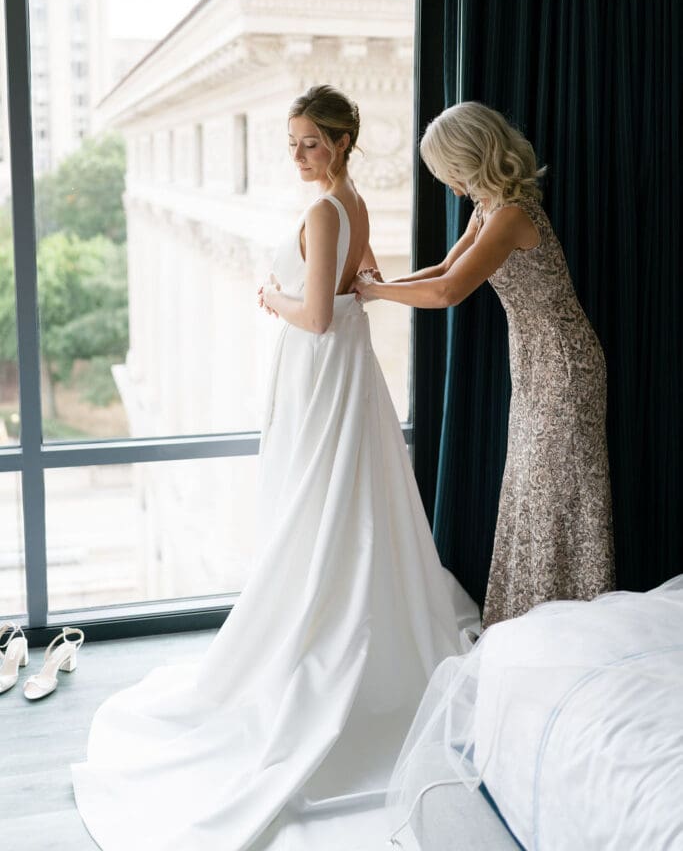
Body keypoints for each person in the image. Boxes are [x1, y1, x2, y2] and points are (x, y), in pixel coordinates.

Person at [71, 84, 479, 851]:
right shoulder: (351, 200)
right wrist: (324, 291)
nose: (297, 155)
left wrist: (271, 295)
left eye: (310, 144)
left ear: (340, 143)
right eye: (291, 142)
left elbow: (320, 315)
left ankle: (317, 640)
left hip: (323, 369)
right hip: (342, 374)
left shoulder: (327, 208)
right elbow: (366, 282)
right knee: (336, 505)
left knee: (318, 506)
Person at [353, 101, 615, 628]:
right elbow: (444, 266)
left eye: (447, 173)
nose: (448, 185)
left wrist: (375, 290)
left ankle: (568, 625)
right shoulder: (487, 208)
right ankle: (526, 619)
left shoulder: (512, 215)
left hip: (564, 366)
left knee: (556, 496)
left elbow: (450, 290)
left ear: (469, 158)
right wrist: (377, 290)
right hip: (535, 362)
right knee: (530, 489)